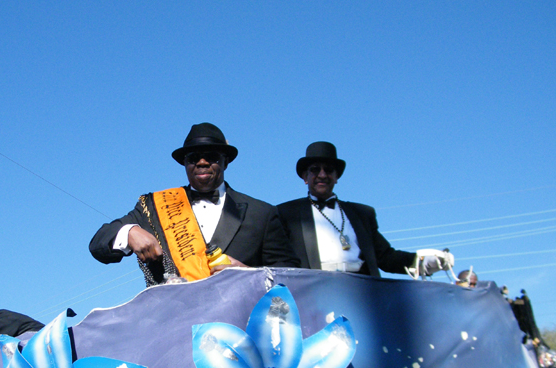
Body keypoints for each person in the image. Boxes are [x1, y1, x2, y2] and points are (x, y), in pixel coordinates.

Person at [89, 122, 300, 286]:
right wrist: (129, 232)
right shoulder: (155, 207)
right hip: (173, 321)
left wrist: (249, 274)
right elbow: (98, 244)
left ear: (226, 161)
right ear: (184, 163)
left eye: (211, 156)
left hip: (240, 322)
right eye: (193, 158)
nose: (202, 162)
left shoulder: (261, 213)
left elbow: (292, 278)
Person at [277, 141, 452, 277]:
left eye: (328, 170)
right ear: (305, 177)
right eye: (315, 170)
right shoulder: (285, 213)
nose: (322, 175)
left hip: (360, 292)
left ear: (336, 177)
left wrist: (422, 262)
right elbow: (277, 260)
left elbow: (385, 257)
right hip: (313, 294)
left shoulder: (362, 214)